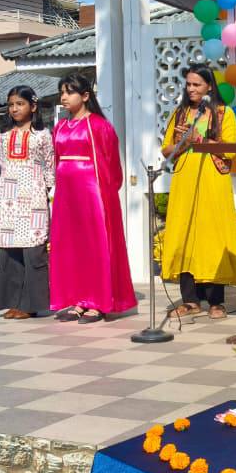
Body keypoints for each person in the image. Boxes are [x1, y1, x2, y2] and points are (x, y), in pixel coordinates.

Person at [49, 72, 136, 323]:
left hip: (92, 193)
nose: (64, 97)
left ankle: (97, 302)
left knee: (95, 245)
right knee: (71, 245)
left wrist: (105, 195)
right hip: (67, 195)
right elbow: (56, 160)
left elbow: (112, 165)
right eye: (62, 92)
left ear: (85, 95)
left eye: (70, 92)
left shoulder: (99, 125)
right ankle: (77, 299)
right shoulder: (60, 127)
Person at [162, 63, 236, 320]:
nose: (191, 89)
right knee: (185, 235)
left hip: (212, 182)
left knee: (212, 237)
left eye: (197, 84)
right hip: (184, 182)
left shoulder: (223, 113)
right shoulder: (180, 113)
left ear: (209, 86)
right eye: (188, 84)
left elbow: (230, 149)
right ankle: (190, 300)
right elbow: (166, 150)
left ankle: (216, 301)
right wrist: (181, 143)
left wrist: (199, 140)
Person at [0, 85, 54, 319]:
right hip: (7, 197)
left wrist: (47, 192)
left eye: (20, 104)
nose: (15, 109)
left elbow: (50, 166)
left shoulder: (43, 135)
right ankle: (13, 303)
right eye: (11, 105)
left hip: (34, 197)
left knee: (33, 251)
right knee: (9, 252)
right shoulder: (3, 135)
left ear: (33, 106)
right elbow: (3, 165)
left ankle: (31, 305)